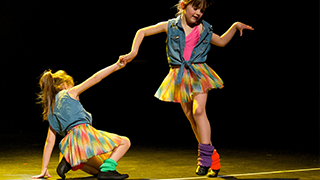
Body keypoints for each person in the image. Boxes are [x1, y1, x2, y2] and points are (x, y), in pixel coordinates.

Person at [121, 0, 253, 177]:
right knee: (192, 118)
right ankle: (213, 157)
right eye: (195, 8)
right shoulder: (170, 26)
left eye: (202, 11)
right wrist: (133, 53)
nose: (198, 13)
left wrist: (235, 26)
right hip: (179, 75)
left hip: (198, 72)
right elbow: (142, 31)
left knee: (199, 112)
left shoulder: (204, 28)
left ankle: (204, 159)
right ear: (184, 5)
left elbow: (221, 42)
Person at [32, 58, 131, 179]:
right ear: (64, 85)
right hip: (83, 133)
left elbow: (49, 142)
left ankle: (70, 160)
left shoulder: (51, 109)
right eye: (71, 85)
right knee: (125, 142)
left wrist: (44, 168)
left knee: (98, 170)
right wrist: (116, 66)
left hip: (71, 143)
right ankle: (107, 169)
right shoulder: (70, 93)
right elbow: (95, 78)